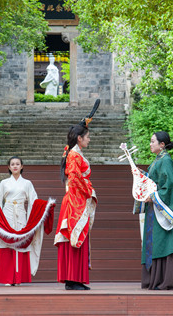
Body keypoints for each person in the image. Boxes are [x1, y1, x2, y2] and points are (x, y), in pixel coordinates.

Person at [54, 100, 100, 291]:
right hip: (75, 201)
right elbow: (73, 177)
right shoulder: (74, 155)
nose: (89, 139)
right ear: (79, 138)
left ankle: (74, 278)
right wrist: (89, 191)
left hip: (76, 199)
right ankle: (72, 279)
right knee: (74, 238)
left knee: (75, 238)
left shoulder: (73, 153)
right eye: (87, 136)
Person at [140, 131, 173, 290]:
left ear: (162, 145)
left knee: (163, 241)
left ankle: (167, 280)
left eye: (153, 141)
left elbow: (168, 186)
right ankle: (156, 278)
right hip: (155, 207)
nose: (150, 144)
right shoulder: (158, 160)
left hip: (162, 209)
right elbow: (156, 181)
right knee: (156, 242)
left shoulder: (166, 160)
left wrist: (153, 196)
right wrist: (142, 176)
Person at [0, 156, 41, 286]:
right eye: (12, 164)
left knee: (20, 243)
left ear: (22, 166)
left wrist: (44, 208)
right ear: (8, 167)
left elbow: (34, 201)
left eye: (17, 164)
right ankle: (7, 278)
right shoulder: (4, 183)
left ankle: (19, 278)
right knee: (6, 244)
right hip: (7, 213)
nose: (15, 166)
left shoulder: (27, 183)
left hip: (20, 213)